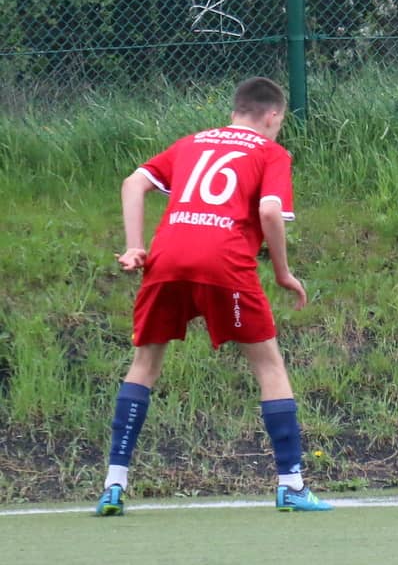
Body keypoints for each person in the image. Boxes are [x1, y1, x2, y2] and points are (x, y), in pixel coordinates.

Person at [96, 77, 331, 515]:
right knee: (269, 366)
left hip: (166, 259)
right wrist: (282, 272)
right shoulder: (271, 152)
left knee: (144, 365)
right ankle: (291, 484)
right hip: (224, 263)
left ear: (234, 111)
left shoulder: (191, 143)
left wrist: (134, 246)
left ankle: (113, 484)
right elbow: (269, 210)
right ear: (273, 116)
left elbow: (133, 183)